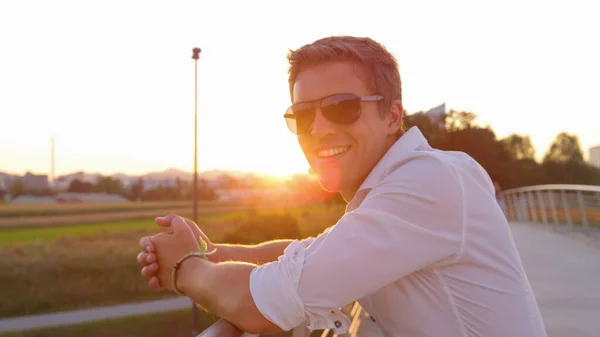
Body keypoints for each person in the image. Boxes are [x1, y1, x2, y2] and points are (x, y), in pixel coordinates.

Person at [137, 36, 547, 336]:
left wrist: (184, 268)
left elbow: (262, 305)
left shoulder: (430, 183)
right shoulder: (393, 191)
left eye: (342, 107)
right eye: (302, 115)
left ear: (392, 115)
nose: (317, 129)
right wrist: (215, 254)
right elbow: (310, 251)